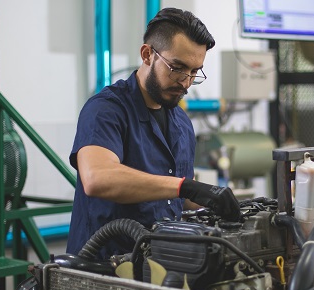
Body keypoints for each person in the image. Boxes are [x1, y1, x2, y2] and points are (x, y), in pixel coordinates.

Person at [66, 7, 241, 260]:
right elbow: (97, 178)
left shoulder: (181, 121)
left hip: (159, 265)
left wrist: (216, 199)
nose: (186, 82)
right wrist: (185, 187)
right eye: (178, 67)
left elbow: (178, 199)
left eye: (194, 71)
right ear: (148, 54)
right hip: (102, 268)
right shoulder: (105, 110)